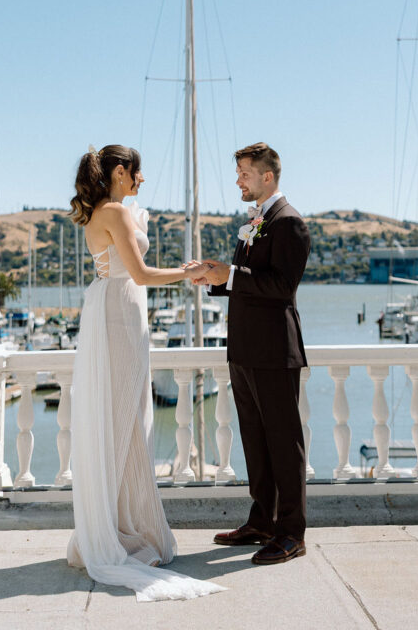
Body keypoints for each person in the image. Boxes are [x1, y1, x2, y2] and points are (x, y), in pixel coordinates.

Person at [65, 144, 223, 602]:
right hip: (119, 310)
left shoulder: (105, 211)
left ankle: (122, 527)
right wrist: (189, 271)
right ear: (120, 172)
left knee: (126, 420)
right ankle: (120, 534)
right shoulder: (114, 211)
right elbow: (139, 274)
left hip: (112, 309)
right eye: (137, 172)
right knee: (124, 421)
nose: (142, 180)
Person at [192, 142, 311, 565]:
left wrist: (233, 274)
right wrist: (215, 278)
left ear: (267, 176)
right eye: (239, 172)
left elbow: (282, 287)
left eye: (244, 172)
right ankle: (262, 521)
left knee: (284, 444)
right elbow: (250, 281)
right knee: (255, 443)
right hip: (244, 351)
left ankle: (292, 533)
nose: (238, 180)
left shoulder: (289, 222)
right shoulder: (257, 220)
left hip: (275, 352)